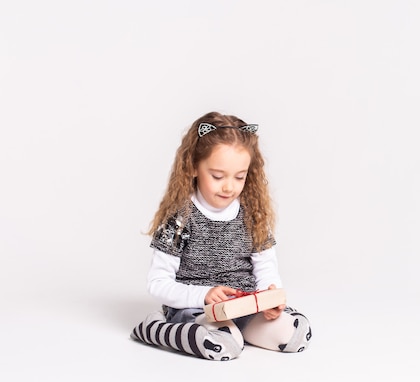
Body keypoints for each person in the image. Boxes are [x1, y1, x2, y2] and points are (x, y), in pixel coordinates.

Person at [130, 111, 312, 360]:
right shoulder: (181, 218)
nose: (229, 187)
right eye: (217, 176)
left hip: (243, 307)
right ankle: (155, 328)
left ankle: (236, 330)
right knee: (224, 345)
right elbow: (158, 283)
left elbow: (266, 268)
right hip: (197, 307)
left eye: (240, 177)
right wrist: (203, 295)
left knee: (296, 334)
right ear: (194, 167)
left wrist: (270, 298)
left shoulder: (253, 214)